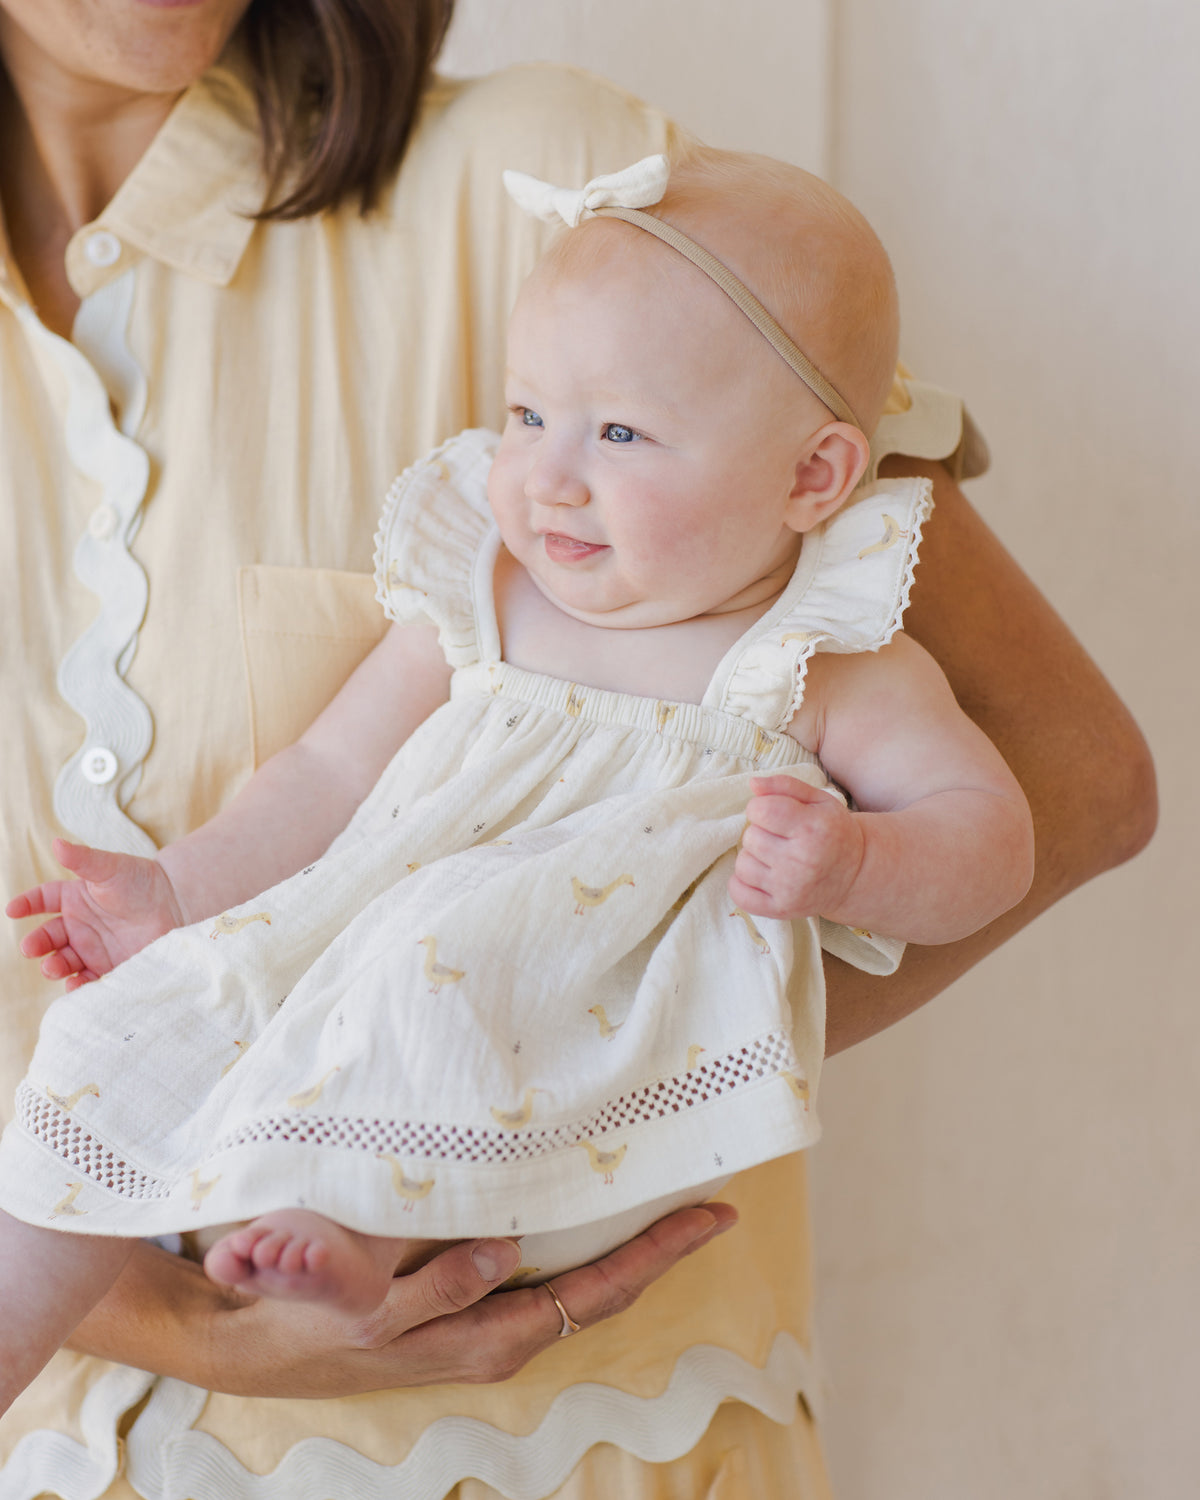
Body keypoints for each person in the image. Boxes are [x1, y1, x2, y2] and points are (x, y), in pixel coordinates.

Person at [0, 1, 1154, 1496]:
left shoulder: (616, 217)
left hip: (559, 1443)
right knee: (105, 1037)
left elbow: (1064, 783)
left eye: (610, 437)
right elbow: (328, 778)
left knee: (439, 970)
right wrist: (186, 1325)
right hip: (72, 1444)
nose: (546, 472)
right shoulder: (482, 570)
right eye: (528, 418)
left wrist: (603, 1081)